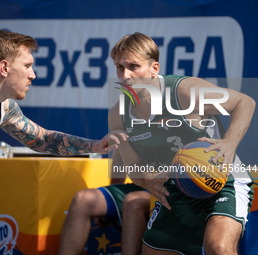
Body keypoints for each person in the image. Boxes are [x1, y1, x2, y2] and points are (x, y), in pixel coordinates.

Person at [0, 30, 125, 255]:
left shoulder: (2, 106)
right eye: (27, 66)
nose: (33, 75)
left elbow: (42, 139)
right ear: (4, 68)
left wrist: (93, 146)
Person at [107, 32, 255, 255]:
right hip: (176, 189)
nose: (125, 75)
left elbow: (245, 103)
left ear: (154, 69)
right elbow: (133, 165)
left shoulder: (185, 91)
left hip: (222, 180)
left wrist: (229, 143)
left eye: (133, 66)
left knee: (219, 247)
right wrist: (146, 180)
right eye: (120, 67)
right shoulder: (118, 114)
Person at [58, 148, 151, 255]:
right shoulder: (127, 131)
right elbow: (120, 153)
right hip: (141, 185)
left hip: (169, 186)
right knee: (82, 200)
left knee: (132, 202)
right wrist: (109, 205)